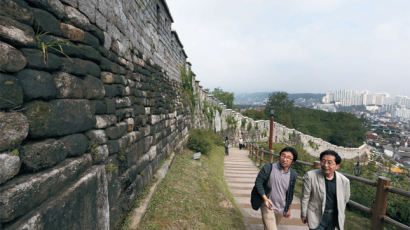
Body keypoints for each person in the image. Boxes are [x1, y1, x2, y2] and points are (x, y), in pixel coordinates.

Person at [301, 150, 350, 230]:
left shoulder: (344, 181)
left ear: (337, 166)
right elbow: (305, 197)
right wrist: (303, 214)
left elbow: (346, 199)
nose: (325, 165)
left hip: (333, 217)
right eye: (323, 161)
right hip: (316, 214)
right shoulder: (310, 176)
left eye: (329, 162)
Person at [251, 147, 298, 230]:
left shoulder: (293, 174)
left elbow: (290, 193)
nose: (285, 159)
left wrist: (288, 208)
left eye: (288, 157)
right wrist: (265, 199)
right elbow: (258, 182)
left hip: (281, 207)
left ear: (293, 161)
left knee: (269, 227)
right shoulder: (269, 167)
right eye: (283, 156)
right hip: (268, 204)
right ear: (279, 156)